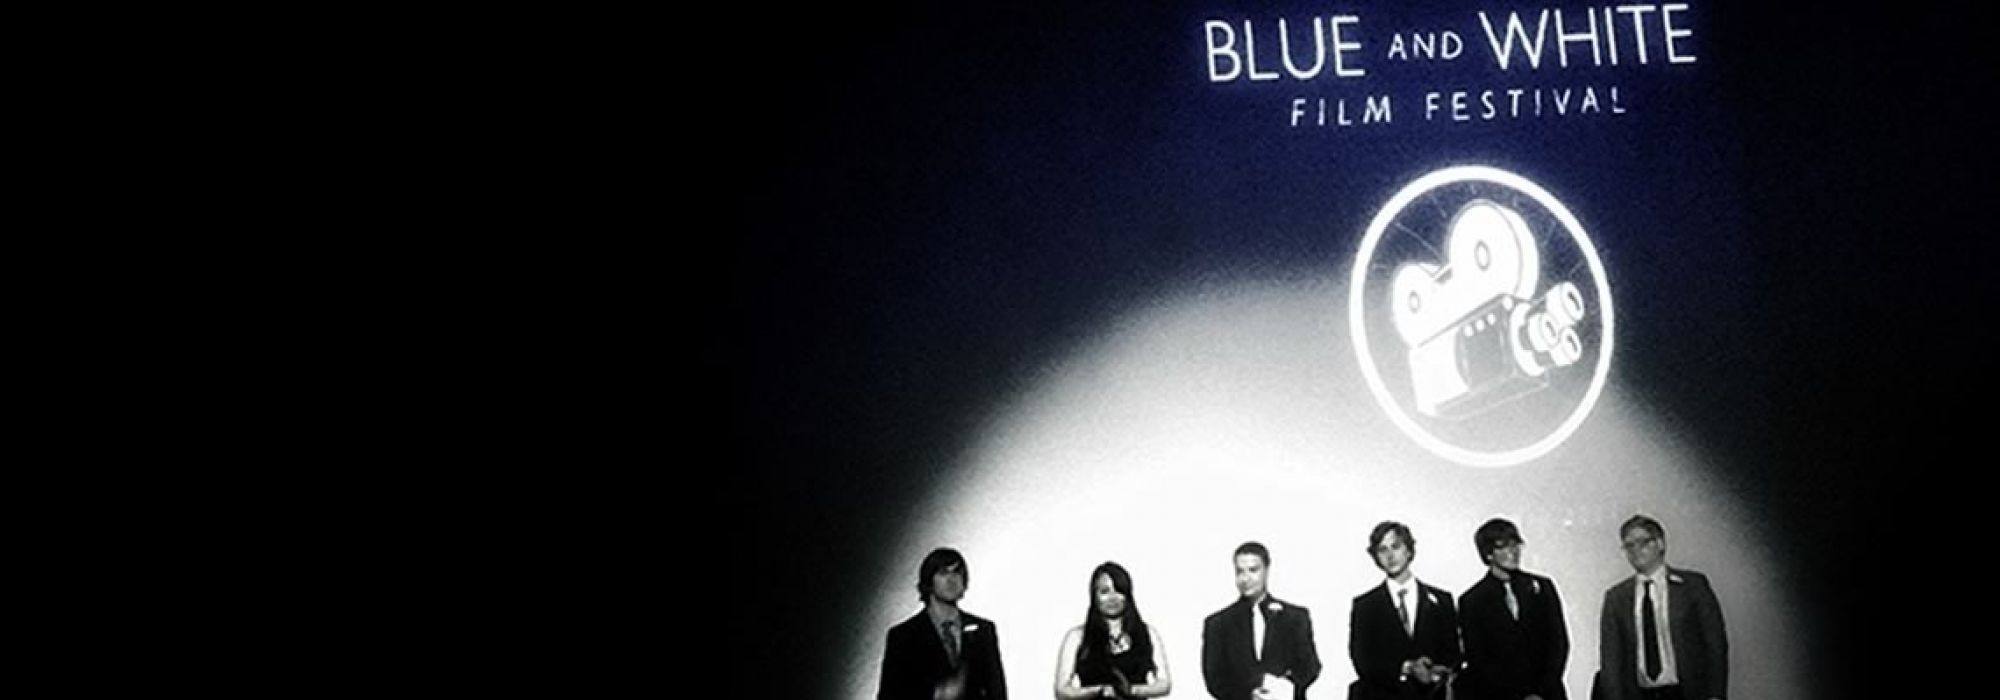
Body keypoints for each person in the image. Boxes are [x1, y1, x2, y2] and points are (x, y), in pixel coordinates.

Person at [1594, 516, 1727, 700]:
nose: (1635, 550)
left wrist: (1716, 695)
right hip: (1641, 695)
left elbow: (1715, 645)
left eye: (1642, 542)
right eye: (1629, 546)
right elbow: (1611, 661)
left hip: (1688, 693)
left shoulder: (1692, 586)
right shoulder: (1616, 598)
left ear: (1660, 543)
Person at [1459, 518, 1570, 700]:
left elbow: (1558, 643)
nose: (1514, 552)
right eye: (1504, 546)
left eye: (1516, 544)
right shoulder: (1472, 601)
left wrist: (1540, 692)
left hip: (1547, 694)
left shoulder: (1542, 588)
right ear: (1489, 554)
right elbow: (1479, 659)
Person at [1348, 522, 1461, 700]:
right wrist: (1406, 668)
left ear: (1408, 550)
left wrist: (1435, 670)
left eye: (1395, 546)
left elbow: (1453, 653)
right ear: (1376, 558)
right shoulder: (1365, 606)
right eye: (1382, 550)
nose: (1390, 556)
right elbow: (1362, 660)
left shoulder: (1441, 600)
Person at [879, 547, 1008, 700]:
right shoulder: (903, 636)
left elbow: (997, 692)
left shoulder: (983, 630)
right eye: (943, 573)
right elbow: (889, 696)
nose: (951, 580)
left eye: (957, 573)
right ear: (929, 580)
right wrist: (936, 694)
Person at [1202, 542, 1321, 700]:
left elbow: (1310, 666)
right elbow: (1214, 678)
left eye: (1253, 570)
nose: (1245, 579)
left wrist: (1282, 686)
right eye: (1239, 571)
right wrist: (1248, 694)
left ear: (1267, 570)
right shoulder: (1218, 624)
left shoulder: (1295, 617)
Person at [1055, 562, 1174, 699]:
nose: (1112, 598)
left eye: (1118, 590)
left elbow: (1165, 684)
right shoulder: (1077, 637)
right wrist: (1098, 691)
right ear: (1094, 596)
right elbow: (1062, 689)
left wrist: (1132, 690)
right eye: (1104, 591)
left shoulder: (1147, 633)